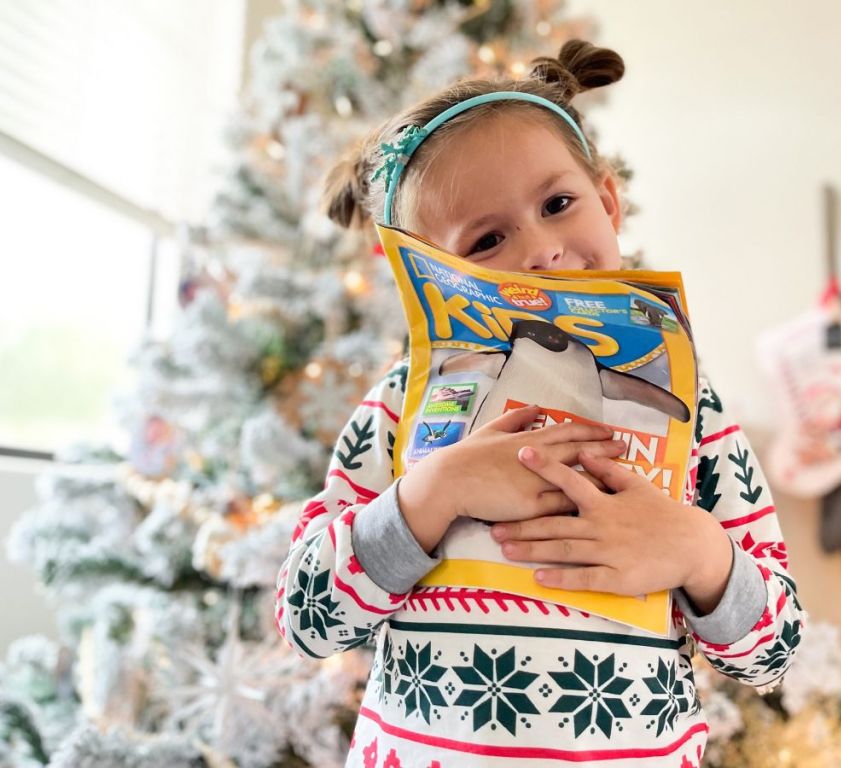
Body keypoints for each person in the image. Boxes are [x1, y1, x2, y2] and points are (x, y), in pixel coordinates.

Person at [275, 39, 805, 767]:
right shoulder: (403, 403)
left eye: (558, 203)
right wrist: (434, 492)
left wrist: (697, 552)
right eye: (488, 237)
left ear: (608, 200)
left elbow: (773, 653)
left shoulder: (694, 411)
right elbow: (307, 622)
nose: (543, 250)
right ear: (431, 274)